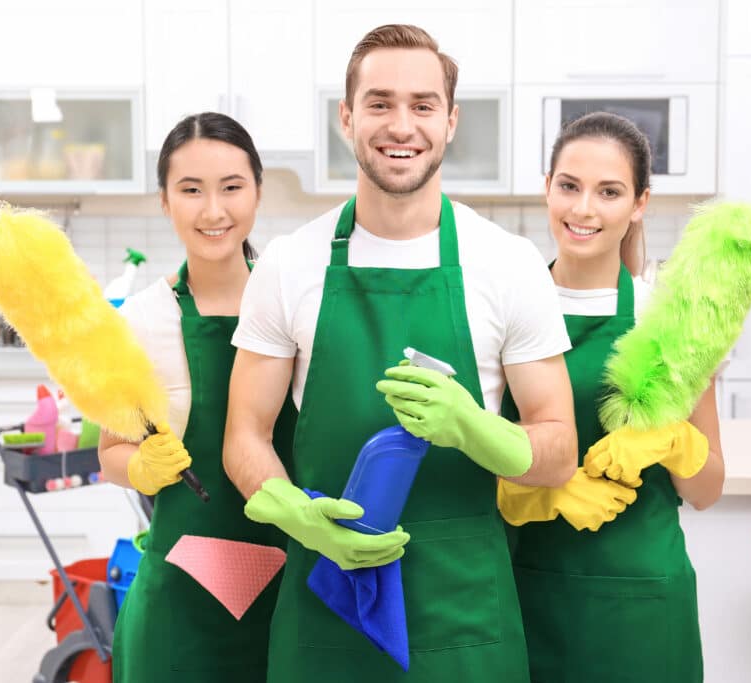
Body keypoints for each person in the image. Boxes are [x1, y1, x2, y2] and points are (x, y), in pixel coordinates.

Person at [223, 23, 577, 683]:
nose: (401, 125)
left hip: (463, 620)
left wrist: (475, 429)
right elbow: (244, 436)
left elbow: (559, 450)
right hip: (327, 608)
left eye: (422, 105)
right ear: (348, 117)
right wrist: (299, 515)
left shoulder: (506, 263)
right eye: (380, 103)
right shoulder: (289, 263)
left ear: (449, 122)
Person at [499, 111, 724, 683]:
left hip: (642, 604)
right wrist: (542, 495)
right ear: (547, 187)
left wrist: (673, 441)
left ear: (639, 203)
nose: (584, 209)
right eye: (569, 186)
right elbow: (470, 462)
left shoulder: (668, 321)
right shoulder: (503, 311)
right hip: (524, 591)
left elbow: (707, 490)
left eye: (610, 192)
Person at [98, 112, 296, 682]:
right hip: (179, 608)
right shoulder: (139, 323)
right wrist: (140, 465)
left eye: (232, 187)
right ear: (165, 200)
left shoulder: (297, 306)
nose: (214, 211)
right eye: (191, 190)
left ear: (257, 190)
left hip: (295, 589)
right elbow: (109, 454)